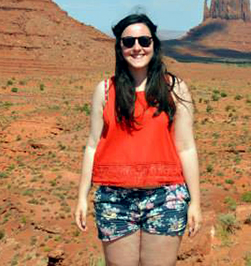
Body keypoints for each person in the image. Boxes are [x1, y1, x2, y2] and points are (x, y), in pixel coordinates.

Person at [74, 13, 202, 266]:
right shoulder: (105, 90)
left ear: (154, 44)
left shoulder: (175, 88)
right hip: (114, 198)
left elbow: (186, 148)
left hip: (166, 197)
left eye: (144, 40)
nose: (137, 48)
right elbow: (92, 145)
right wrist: (81, 196)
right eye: (128, 41)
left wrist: (195, 202)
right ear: (119, 47)